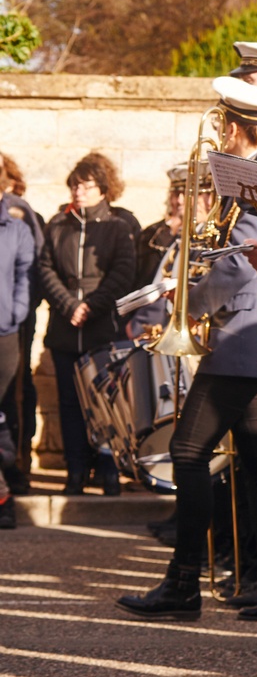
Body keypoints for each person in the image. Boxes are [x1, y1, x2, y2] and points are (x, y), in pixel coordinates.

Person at [117, 78, 257, 620]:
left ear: (231, 126)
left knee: (186, 451)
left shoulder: (253, 175)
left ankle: (183, 584)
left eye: (222, 125)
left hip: (243, 337)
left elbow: (233, 264)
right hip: (256, 338)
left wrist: (192, 303)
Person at [38, 154, 136, 496]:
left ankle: (108, 471)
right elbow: (46, 270)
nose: (78, 191)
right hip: (66, 329)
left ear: (102, 189)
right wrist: (69, 305)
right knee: (68, 402)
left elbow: (123, 274)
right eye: (75, 185)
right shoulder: (57, 225)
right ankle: (75, 471)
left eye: (86, 185)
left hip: (101, 329)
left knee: (105, 401)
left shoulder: (117, 227)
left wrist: (91, 306)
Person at [0, 155, 45, 493]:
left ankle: (15, 470)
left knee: (12, 399)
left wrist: (15, 312)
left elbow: (29, 270)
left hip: (10, 326)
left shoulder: (18, 217)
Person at [0, 188, 36, 526]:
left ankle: (8, 485)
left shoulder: (16, 229)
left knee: (6, 409)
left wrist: (16, 313)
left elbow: (25, 274)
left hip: (4, 332)